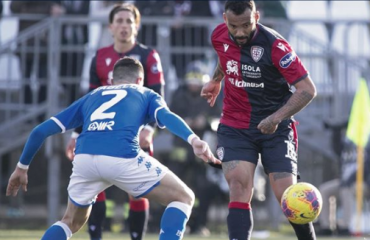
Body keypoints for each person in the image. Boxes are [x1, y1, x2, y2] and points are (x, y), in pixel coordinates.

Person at [6, 56, 221, 240]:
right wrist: (194, 139)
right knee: (183, 197)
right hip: (122, 156)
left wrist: (21, 167)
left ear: (111, 80)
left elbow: (39, 131)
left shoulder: (92, 96)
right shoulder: (145, 93)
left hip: (84, 160)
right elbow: (167, 117)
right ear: (140, 80)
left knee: (70, 221)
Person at [200, 1, 317, 240]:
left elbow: (307, 90)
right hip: (235, 125)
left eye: (246, 25)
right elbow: (226, 57)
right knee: (238, 186)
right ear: (224, 19)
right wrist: (216, 79)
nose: (240, 32)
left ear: (256, 16)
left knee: (287, 196)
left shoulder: (276, 46)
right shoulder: (219, 35)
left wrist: (275, 118)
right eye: (234, 26)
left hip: (276, 127)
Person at [64, 3, 165, 240]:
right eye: (119, 21)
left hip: (135, 134)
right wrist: (76, 134)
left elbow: (158, 96)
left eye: (129, 21)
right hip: (101, 133)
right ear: (110, 27)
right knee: (94, 188)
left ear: (136, 26)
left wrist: (149, 129)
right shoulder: (99, 57)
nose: (124, 26)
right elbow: (88, 102)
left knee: (138, 191)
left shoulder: (149, 56)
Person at [169, 60, 222, 235]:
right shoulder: (178, 94)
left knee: (203, 189)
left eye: (196, 80)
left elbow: (218, 118)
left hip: (203, 150)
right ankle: (177, 225)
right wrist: (187, 121)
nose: (193, 84)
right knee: (176, 188)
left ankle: (200, 225)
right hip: (180, 150)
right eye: (191, 80)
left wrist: (205, 122)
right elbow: (171, 115)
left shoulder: (210, 95)